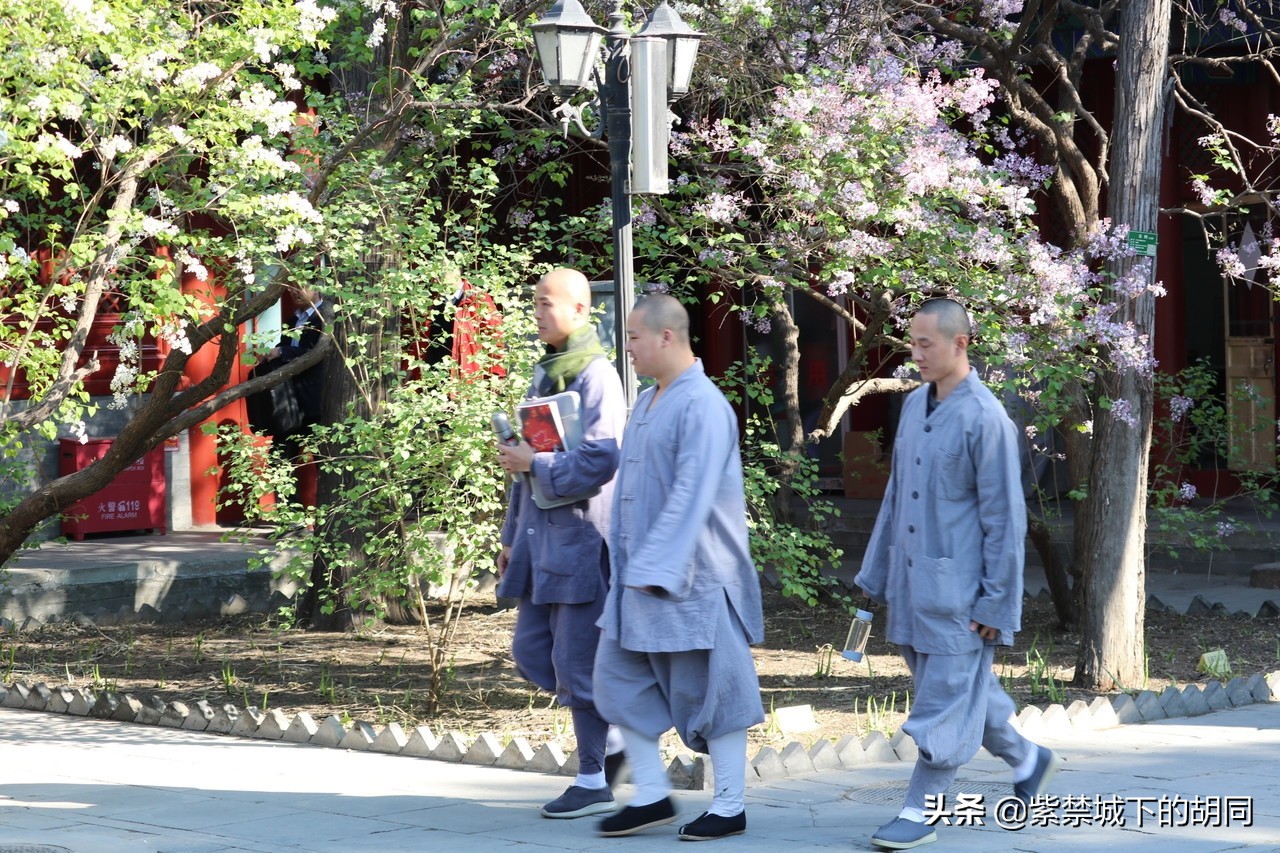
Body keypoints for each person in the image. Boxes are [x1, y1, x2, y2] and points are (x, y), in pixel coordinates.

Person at [854, 298, 1061, 850]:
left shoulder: (985, 418)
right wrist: (874, 578)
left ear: (960, 343)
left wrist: (997, 603)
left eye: (927, 344)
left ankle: (922, 810)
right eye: (912, 343)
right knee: (961, 694)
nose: (916, 354)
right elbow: (896, 500)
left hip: (961, 597)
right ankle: (1027, 758)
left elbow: (1005, 520)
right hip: (911, 587)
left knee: (942, 706)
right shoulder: (916, 406)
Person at [593, 293, 765, 842]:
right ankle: (649, 794)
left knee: (716, 694)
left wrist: (657, 564)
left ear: (667, 336)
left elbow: (691, 494)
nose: (630, 349)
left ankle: (731, 805)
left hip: (695, 580)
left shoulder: (703, 404)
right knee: (616, 682)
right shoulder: (646, 402)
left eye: (636, 338)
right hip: (636, 581)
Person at [495, 267, 627, 819]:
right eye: (535, 303)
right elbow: (523, 466)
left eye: (547, 304)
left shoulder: (596, 375)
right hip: (538, 541)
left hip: (579, 541)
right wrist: (507, 536)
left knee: (576, 664)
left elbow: (603, 458)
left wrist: (536, 461)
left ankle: (593, 775)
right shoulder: (544, 374)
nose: (538, 312)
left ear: (579, 310)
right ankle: (618, 735)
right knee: (530, 651)